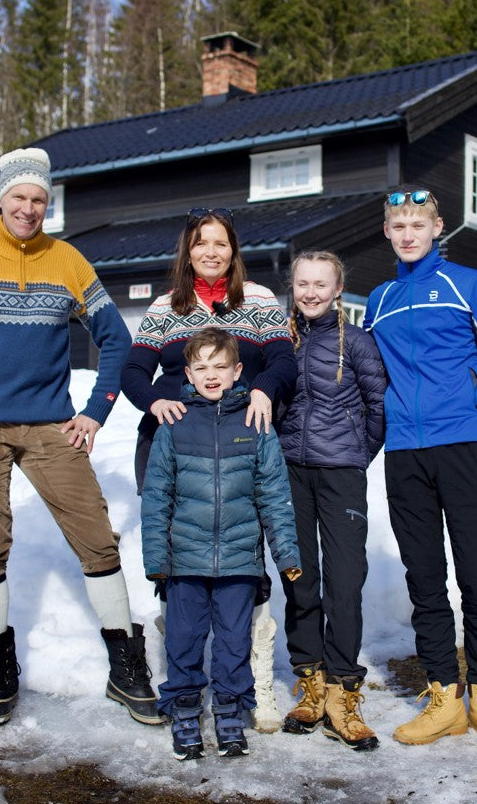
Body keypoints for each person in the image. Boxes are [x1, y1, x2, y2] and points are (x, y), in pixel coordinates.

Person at [0, 147, 160, 728]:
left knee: (96, 538)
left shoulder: (67, 260)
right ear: (1, 199)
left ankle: (125, 667)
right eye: (19, 197)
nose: (28, 208)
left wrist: (95, 412)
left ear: (47, 204)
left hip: (51, 424)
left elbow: (117, 339)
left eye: (38, 199)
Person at [120, 207, 297, 732]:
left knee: (245, 571)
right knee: (181, 570)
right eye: (201, 243)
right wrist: (154, 402)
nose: (211, 252)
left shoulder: (258, 300)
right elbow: (134, 370)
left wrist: (264, 389)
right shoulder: (166, 307)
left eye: (220, 242)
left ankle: (250, 687)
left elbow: (283, 361)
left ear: (233, 250)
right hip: (175, 446)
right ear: (188, 250)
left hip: (241, 447)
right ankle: (183, 685)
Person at [362, 187, 477, 754]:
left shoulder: (469, 284)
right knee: (424, 579)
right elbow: (367, 377)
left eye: (418, 224)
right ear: (387, 232)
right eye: (398, 225)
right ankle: (444, 698)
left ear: (437, 228)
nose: (408, 234)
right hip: (405, 454)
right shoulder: (379, 299)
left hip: (464, 447)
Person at [140, 328, 302, 760]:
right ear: (188, 374)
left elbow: (274, 494)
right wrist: (156, 558)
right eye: (201, 367)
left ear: (237, 371)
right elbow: (156, 498)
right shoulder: (174, 426)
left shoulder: (255, 424)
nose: (211, 375)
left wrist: (286, 553)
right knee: (184, 639)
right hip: (184, 562)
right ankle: (185, 709)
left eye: (220, 366)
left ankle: (230, 708)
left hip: (239, 561)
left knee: (234, 642)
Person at [277, 251, 386, 751]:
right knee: (299, 578)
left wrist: (357, 455)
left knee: (344, 581)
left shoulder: (358, 342)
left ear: (338, 289)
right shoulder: (282, 338)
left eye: (321, 284)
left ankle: (343, 692)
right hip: (290, 472)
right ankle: (310, 683)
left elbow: (378, 404)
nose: (311, 292)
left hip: (342, 474)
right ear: (293, 285)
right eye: (303, 283)